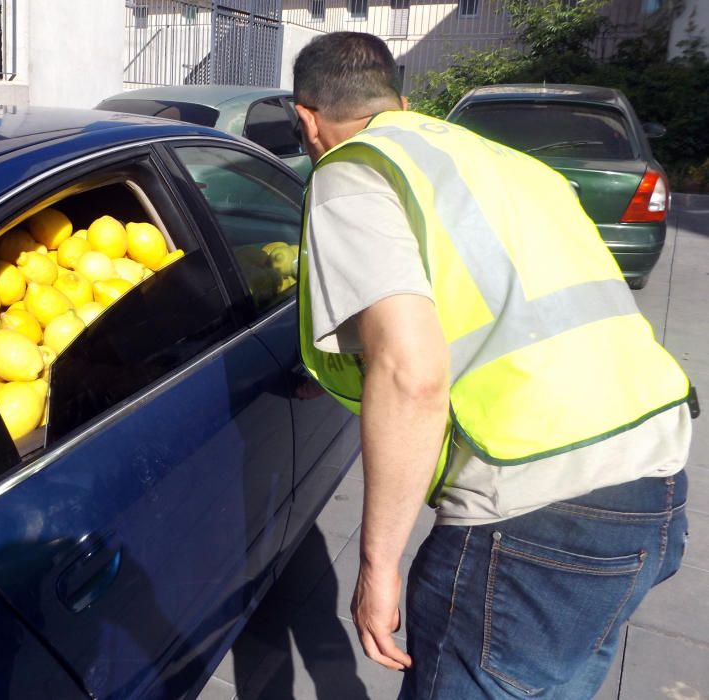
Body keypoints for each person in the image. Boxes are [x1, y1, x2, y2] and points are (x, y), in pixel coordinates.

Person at [293, 32, 694, 699]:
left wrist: (377, 566)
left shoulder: (355, 169)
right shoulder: (508, 164)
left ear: (306, 119)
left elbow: (412, 374)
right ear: (404, 101)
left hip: (539, 518)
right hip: (656, 489)